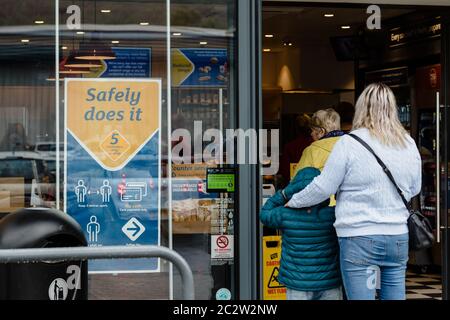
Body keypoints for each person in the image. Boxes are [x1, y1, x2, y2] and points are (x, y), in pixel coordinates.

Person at [285, 83, 422, 300]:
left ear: (362, 109)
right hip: (397, 235)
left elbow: (323, 187)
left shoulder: (349, 143)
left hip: (359, 236)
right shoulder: (408, 143)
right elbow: (415, 188)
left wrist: (293, 201)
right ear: (392, 108)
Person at [260, 167, 342, 300]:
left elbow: (264, 213)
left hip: (296, 283)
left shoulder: (285, 214)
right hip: (329, 283)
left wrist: (285, 194)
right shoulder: (333, 214)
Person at [279, 114, 312, 183]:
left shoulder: (290, 146)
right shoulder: (316, 145)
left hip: (295, 184)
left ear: (296, 129)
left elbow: (285, 171)